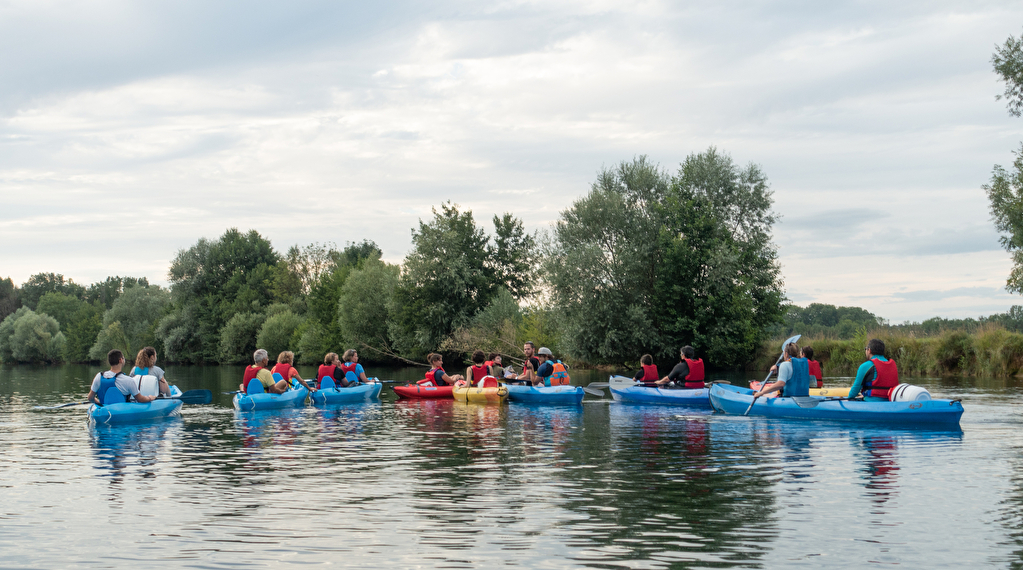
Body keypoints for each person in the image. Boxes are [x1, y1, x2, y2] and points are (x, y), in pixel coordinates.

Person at [87, 349, 158, 405]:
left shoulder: (99, 376)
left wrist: (100, 404)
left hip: (104, 410)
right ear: (120, 360)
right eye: (123, 358)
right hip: (121, 414)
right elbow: (140, 399)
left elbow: (90, 398)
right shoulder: (128, 380)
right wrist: (149, 398)